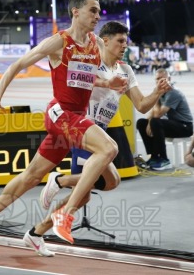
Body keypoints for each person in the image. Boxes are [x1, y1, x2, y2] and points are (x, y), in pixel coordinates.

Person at [0, 0, 128, 253]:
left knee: (32, 177)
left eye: (99, 11)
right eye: (93, 11)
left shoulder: (96, 43)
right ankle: (65, 215)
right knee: (108, 148)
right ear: (76, 12)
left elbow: (84, 78)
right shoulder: (58, 42)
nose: (98, 16)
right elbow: (17, 65)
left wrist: (108, 82)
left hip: (76, 117)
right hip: (61, 113)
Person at [24, 21, 171, 257]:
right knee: (83, 196)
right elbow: (70, 87)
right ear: (105, 40)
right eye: (120, 41)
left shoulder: (126, 70)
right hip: (82, 129)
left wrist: (157, 92)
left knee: (110, 182)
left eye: (126, 41)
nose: (125, 45)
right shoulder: (90, 63)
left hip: (99, 131)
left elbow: (142, 105)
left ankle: (58, 187)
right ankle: (42, 227)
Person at [136, 68, 193, 170]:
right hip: (173, 124)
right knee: (141, 123)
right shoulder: (161, 92)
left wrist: (157, 96)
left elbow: (158, 114)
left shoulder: (173, 93)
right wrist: (148, 123)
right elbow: (153, 112)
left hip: (185, 126)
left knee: (155, 121)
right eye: (157, 79)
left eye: (162, 78)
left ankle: (164, 159)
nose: (160, 81)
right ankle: (154, 157)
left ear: (169, 79)